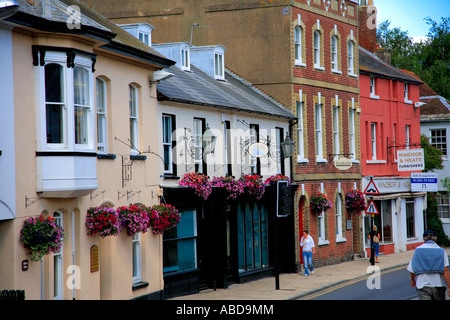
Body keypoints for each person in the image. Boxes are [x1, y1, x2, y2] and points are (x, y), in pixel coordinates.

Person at [407, 230, 450, 300]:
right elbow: (446, 270)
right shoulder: (441, 251)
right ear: (435, 239)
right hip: (438, 285)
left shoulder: (418, 250)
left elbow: (412, 268)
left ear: (423, 239)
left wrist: (412, 279)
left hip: (423, 286)